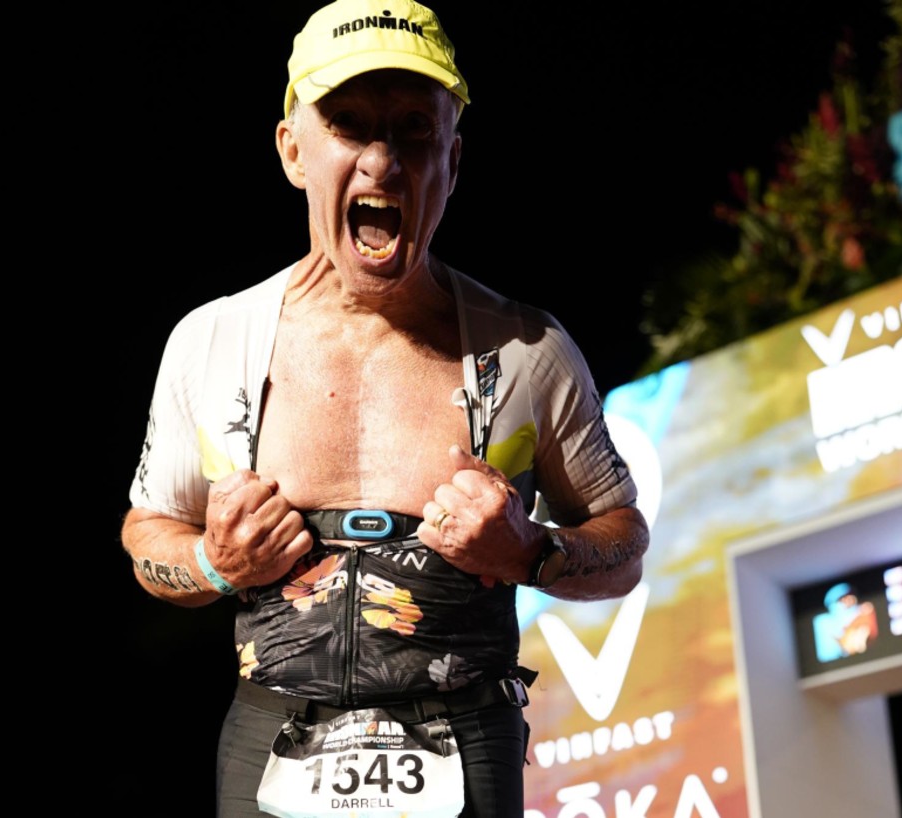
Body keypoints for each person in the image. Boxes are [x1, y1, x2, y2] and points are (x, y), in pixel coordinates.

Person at [120, 1, 650, 815]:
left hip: (468, 739)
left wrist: (530, 551)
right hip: (270, 736)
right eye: (348, 125)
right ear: (294, 151)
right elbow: (147, 531)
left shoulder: (526, 350)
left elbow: (625, 541)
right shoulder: (212, 342)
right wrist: (217, 564)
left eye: (413, 128)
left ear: (453, 158)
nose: (381, 161)